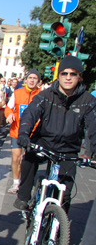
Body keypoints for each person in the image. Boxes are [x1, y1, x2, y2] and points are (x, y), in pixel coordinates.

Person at [14, 56, 96, 212]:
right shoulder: (46, 95)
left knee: (65, 195)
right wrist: (24, 134)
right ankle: (23, 196)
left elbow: (94, 127)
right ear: (59, 75)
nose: (68, 77)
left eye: (73, 74)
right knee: (29, 159)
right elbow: (30, 114)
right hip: (45, 142)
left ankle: (58, 231)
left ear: (79, 76)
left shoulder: (88, 101)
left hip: (69, 148)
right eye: (64, 73)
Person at [3, 69, 41, 194]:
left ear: (38, 81)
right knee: (16, 157)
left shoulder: (42, 95)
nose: (32, 80)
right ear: (25, 80)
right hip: (17, 130)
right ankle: (15, 182)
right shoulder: (17, 93)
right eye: (30, 78)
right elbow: (8, 108)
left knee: (28, 160)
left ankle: (26, 183)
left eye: (35, 78)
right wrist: (9, 115)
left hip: (34, 132)